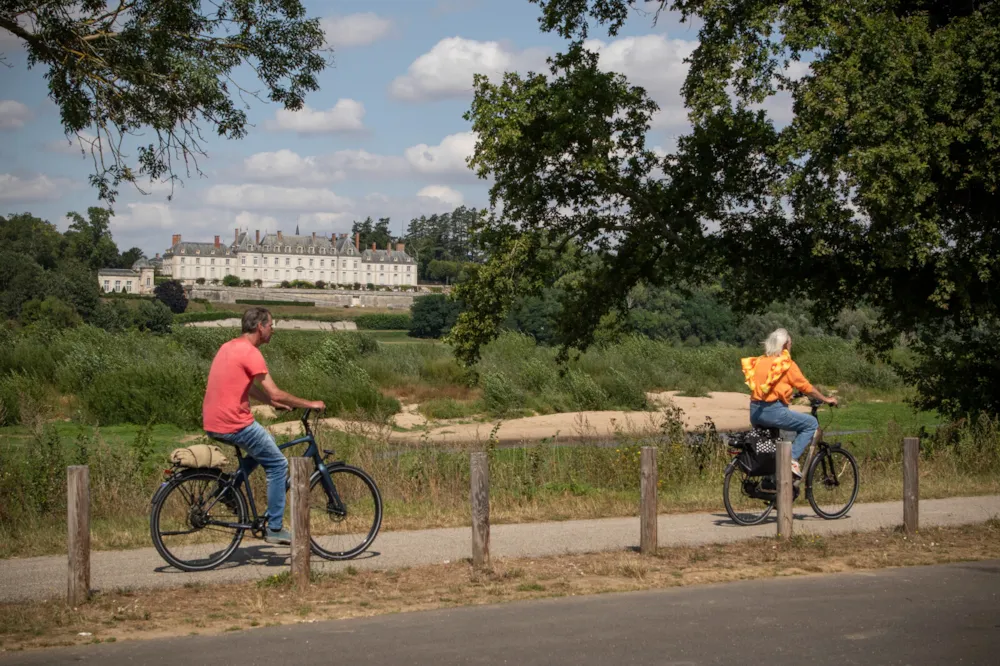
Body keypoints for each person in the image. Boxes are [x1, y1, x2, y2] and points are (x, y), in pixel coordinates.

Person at [202, 307, 325, 545]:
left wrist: (271, 402)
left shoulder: (228, 347)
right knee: (278, 464)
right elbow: (276, 391)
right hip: (234, 421)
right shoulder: (251, 353)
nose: (273, 330)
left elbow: (246, 386)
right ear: (260, 327)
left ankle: (228, 490)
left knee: (262, 449)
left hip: (213, 420)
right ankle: (275, 528)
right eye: (271, 325)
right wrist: (310, 403)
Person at [741, 328, 837, 478]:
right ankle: (791, 459)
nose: (791, 347)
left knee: (771, 447)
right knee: (811, 424)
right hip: (773, 412)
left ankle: (769, 482)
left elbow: (767, 387)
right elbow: (806, 387)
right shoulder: (786, 364)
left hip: (755, 412)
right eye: (791, 344)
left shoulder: (759, 361)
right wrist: (826, 399)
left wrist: (786, 394)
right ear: (785, 345)